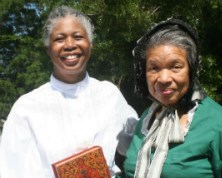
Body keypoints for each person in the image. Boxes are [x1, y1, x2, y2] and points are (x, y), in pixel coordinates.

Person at [0, 6, 138, 178]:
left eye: (78, 37)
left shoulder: (109, 94)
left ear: (90, 45)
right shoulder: (26, 108)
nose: (70, 45)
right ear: (48, 50)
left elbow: (135, 143)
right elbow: (11, 170)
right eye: (59, 39)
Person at [123, 18, 222, 178]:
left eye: (175, 67)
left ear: (192, 70)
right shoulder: (148, 119)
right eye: (154, 68)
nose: (163, 78)